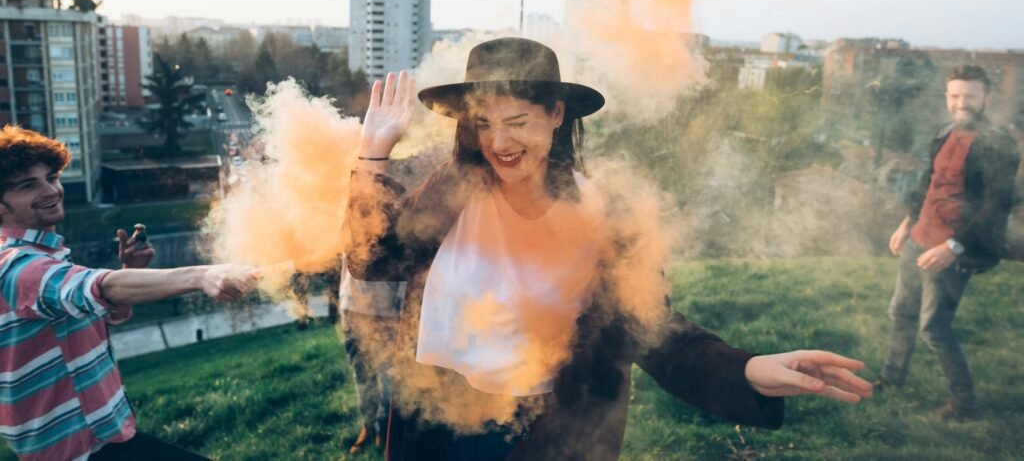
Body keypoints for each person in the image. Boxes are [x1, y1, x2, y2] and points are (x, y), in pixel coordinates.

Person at [346, 37, 873, 460]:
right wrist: (374, 154)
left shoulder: (604, 211)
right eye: (483, 124)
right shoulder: (451, 189)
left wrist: (746, 369)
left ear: (556, 114)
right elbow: (373, 261)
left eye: (517, 122)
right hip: (437, 421)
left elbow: (649, 327)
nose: (499, 143)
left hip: (546, 433)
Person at [0, 126, 260, 460]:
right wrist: (202, 274)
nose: (51, 190)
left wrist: (128, 274)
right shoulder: (16, 265)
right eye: (28, 185)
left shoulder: (42, 256)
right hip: (80, 452)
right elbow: (95, 286)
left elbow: (89, 312)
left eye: (51, 177)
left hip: (109, 438)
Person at [878, 64, 1020, 421]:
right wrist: (906, 223)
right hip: (919, 238)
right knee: (901, 312)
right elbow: (930, 183)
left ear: (985, 97)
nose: (962, 103)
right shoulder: (944, 132)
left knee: (934, 328)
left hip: (953, 249)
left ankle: (965, 405)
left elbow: (996, 204)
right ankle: (892, 378)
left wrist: (953, 246)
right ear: (947, 97)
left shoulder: (997, 143)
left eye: (970, 96)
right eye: (955, 95)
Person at [337, 258, 405, 454]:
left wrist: (404, 298)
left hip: (389, 310)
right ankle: (368, 427)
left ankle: (383, 430)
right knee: (363, 378)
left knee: (389, 381)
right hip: (352, 306)